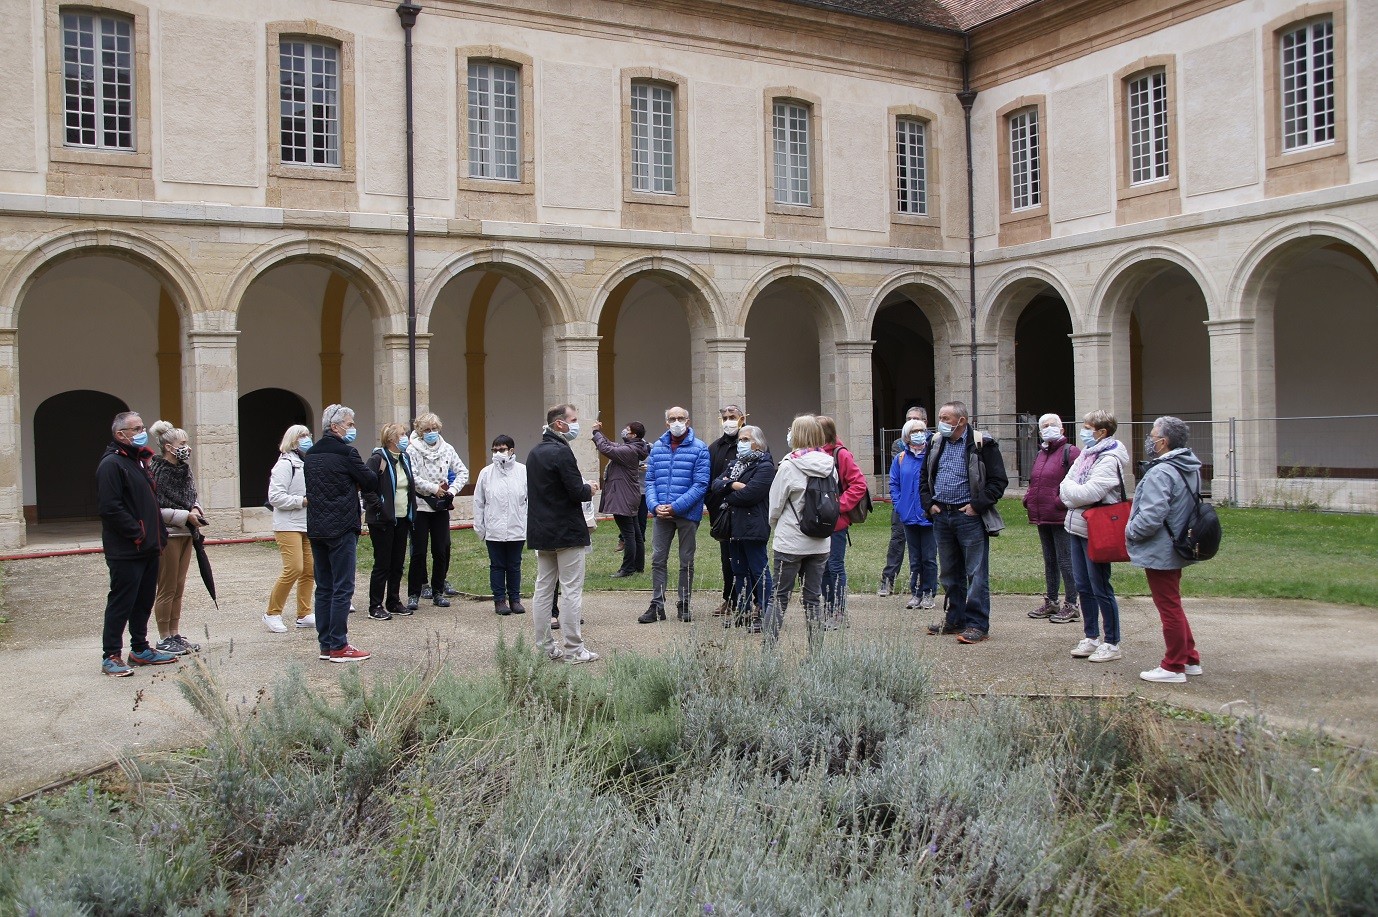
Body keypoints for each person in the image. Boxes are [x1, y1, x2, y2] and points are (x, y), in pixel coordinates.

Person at [920, 400, 1009, 644]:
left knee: (976, 573)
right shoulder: (935, 442)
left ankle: (977, 624)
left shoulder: (983, 444)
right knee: (949, 572)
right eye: (940, 417)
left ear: (962, 421)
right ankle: (955, 618)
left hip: (968, 517)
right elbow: (924, 476)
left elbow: (998, 481)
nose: (941, 423)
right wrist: (929, 504)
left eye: (946, 418)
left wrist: (976, 506)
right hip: (942, 515)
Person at [97, 411, 177, 676]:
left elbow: (149, 503)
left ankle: (140, 649)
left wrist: (158, 535)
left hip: (149, 547)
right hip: (127, 549)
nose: (143, 432)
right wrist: (139, 534)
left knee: (143, 601)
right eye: (137, 428)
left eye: (142, 427)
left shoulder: (139, 461)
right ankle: (111, 655)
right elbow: (111, 509)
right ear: (121, 435)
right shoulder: (112, 464)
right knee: (122, 601)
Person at [1128, 417, 1206, 684]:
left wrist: (1129, 531)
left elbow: (1151, 516)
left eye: (1153, 436)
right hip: (1178, 543)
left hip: (1162, 548)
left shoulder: (1161, 471)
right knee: (1173, 602)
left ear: (1163, 442)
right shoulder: (1189, 466)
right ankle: (1190, 658)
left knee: (1168, 607)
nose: (1150, 440)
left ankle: (1173, 666)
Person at [525, 404, 600, 663]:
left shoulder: (534, 453)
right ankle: (573, 649)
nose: (576, 425)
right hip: (566, 531)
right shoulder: (561, 452)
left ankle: (545, 648)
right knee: (570, 590)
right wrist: (588, 488)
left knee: (544, 590)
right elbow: (575, 491)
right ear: (559, 424)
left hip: (541, 531)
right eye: (574, 420)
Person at [305, 403, 378, 663]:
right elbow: (370, 480)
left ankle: (326, 644)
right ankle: (338, 644)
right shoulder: (347, 453)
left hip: (316, 527)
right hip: (342, 525)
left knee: (324, 587)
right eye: (349, 424)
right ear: (335, 427)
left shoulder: (311, 454)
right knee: (342, 587)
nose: (352, 428)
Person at [1059, 410, 1132, 664]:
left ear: (1102, 432)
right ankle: (1091, 637)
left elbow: (1091, 491)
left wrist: (1072, 494)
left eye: (1088, 427)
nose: (1084, 431)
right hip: (1076, 526)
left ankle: (1112, 642)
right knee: (1082, 585)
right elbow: (1065, 485)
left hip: (1097, 530)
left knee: (1100, 586)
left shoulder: (1110, 458)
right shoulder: (1086, 455)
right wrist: (1072, 494)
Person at [763, 414, 836, 648]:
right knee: (813, 599)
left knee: (779, 597)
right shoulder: (829, 465)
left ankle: (768, 650)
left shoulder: (789, 465)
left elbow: (775, 504)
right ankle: (816, 652)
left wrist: (775, 525)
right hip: (820, 541)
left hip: (791, 541)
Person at [639, 406, 711, 624]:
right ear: (666, 423)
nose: (677, 422)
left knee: (686, 560)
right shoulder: (658, 448)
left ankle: (684, 602)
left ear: (688, 421)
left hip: (687, 514)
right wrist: (653, 505)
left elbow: (700, 484)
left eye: (681, 418)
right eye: (673, 418)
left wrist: (677, 506)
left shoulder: (700, 449)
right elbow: (650, 480)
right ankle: (657, 604)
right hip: (661, 513)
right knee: (658, 559)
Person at [707, 423, 775, 631]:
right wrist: (732, 485)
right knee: (739, 570)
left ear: (758, 444)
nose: (741, 443)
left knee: (758, 570)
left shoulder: (765, 466)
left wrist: (727, 488)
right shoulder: (735, 464)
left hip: (753, 527)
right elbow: (715, 484)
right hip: (733, 527)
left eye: (746, 440)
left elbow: (750, 494)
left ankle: (764, 612)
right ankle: (743, 611)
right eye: (740, 440)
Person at [148, 420, 206, 656]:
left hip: (186, 533)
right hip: (168, 535)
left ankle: (174, 633)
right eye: (182, 443)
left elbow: (192, 495)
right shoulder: (156, 471)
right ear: (169, 447)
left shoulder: (185, 470)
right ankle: (163, 637)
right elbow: (154, 508)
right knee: (167, 586)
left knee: (179, 586)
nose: (187, 447)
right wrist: (185, 515)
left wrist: (195, 510)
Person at [405, 412, 468, 610]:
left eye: (434, 429)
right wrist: (434, 489)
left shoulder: (447, 449)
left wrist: (451, 491)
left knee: (442, 549)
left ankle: (438, 591)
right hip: (421, 505)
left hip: (440, 507)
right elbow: (412, 477)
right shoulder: (412, 450)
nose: (431, 433)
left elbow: (462, 472)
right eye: (426, 430)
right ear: (419, 431)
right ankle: (414, 593)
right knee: (418, 550)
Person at [1023, 413, 1081, 624]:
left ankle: (1072, 604)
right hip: (1042, 513)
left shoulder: (1071, 452)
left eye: (1051, 425)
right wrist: (1029, 498)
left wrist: (1060, 501)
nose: (1048, 429)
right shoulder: (1041, 453)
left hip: (1060, 514)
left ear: (1062, 428)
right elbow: (1035, 480)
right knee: (1050, 560)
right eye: (1044, 426)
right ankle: (1052, 601)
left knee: (1065, 560)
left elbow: (1078, 480)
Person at [816, 415, 870, 628]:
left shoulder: (841, 454)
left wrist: (839, 506)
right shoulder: (812, 454)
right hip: (817, 522)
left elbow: (859, 484)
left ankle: (839, 611)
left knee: (835, 565)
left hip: (836, 523)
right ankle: (829, 609)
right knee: (821, 568)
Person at [362, 423, 416, 622]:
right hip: (382, 520)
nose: (406, 437)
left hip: (402, 518)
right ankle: (375, 605)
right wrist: (380, 507)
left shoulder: (405, 459)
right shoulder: (377, 460)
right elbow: (367, 488)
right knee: (382, 564)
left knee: (398, 563)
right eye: (402, 434)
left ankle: (393, 601)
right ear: (392, 439)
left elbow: (408, 487)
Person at [264, 424, 316, 633]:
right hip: (287, 524)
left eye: (308, 435)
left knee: (310, 569)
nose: (306, 438)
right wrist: (301, 501)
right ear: (293, 440)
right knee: (293, 568)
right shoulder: (285, 464)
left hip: (305, 523)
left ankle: (304, 613)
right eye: (302, 436)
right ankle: (272, 613)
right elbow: (275, 497)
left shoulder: (307, 462)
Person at [472, 434, 527, 616]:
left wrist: (527, 525)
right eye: (494, 450)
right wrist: (480, 528)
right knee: (497, 565)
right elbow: (479, 502)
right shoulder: (486, 473)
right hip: (494, 528)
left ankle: (515, 599)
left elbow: (529, 500)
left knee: (514, 565)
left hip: (516, 527)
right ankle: (499, 600)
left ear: (511, 450)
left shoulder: (522, 471)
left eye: (501, 449)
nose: (497, 453)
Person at [878, 406, 928, 595]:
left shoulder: (934, 443)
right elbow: (897, 477)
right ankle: (888, 580)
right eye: (908, 419)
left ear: (925, 422)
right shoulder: (899, 445)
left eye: (916, 419)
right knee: (897, 541)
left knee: (926, 549)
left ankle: (924, 586)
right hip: (904, 504)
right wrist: (898, 504)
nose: (911, 422)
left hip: (924, 503)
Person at [888, 417, 937, 611]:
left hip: (927, 515)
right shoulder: (900, 458)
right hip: (907, 514)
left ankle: (929, 592)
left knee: (929, 558)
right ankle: (916, 592)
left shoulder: (932, 455)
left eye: (922, 430)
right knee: (915, 558)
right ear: (907, 436)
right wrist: (899, 505)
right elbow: (894, 483)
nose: (919, 434)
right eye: (915, 431)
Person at [592, 420, 650, 578]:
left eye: (627, 430)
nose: (624, 431)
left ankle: (627, 568)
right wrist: (600, 433)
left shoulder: (629, 450)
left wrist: (596, 433)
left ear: (634, 435)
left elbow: (606, 448)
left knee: (628, 534)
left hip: (623, 496)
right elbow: (612, 445)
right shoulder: (634, 447)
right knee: (635, 533)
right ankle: (638, 566)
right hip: (629, 495)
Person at [706, 404, 746, 615]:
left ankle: (750, 600)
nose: (729, 420)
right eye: (726, 417)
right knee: (727, 560)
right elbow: (709, 482)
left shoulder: (752, 443)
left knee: (749, 558)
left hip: (747, 513)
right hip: (722, 515)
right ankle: (729, 600)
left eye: (733, 416)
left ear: (742, 418)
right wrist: (714, 508)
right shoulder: (715, 448)